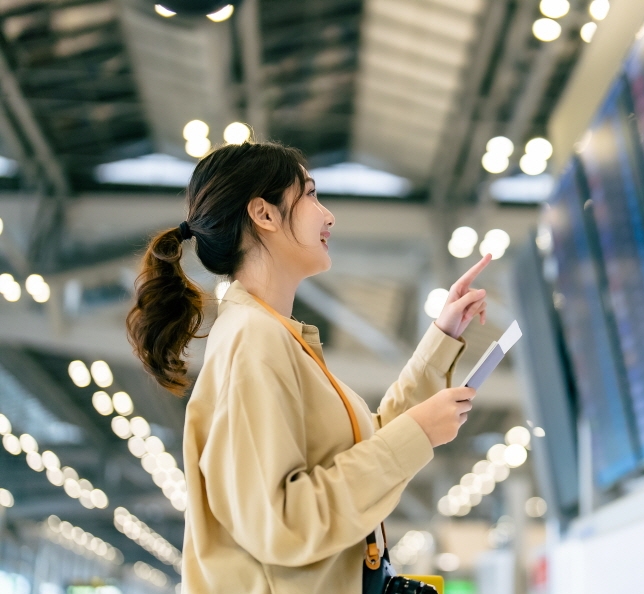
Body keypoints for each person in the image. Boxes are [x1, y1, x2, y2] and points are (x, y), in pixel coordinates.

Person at [126, 142, 491, 593]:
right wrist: (418, 433)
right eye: (312, 195)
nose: (328, 215)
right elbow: (281, 522)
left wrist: (441, 340)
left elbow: (366, 448)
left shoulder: (273, 336)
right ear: (264, 214)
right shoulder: (252, 339)